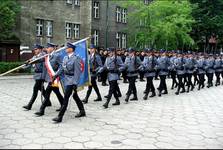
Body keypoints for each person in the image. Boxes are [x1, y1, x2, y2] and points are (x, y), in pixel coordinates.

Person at [52, 42, 86, 123]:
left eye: (67, 48)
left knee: (66, 98)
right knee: (75, 96)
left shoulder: (76, 58)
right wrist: (55, 75)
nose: (66, 49)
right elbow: (62, 68)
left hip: (72, 81)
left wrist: (75, 83)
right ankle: (82, 111)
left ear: (71, 49)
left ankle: (60, 116)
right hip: (66, 79)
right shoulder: (65, 58)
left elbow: (77, 73)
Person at [35, 42, 64, 116]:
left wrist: (56, 74)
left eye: (48, 48)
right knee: (57, 92)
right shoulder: (48, 56)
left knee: (47, 93)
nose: (47, 49)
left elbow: (62, 66)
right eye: (47, 48)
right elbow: (40, 60)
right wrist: (31, 62)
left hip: (54, 78)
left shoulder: (57, 55)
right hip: (50, 78)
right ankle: (63, 104)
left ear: (52, 48)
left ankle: (42, 110)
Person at [23, 44, 49, 110]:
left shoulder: (43, 55)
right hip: (37, 75)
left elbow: (37, 60)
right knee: (42, 90)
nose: (35, 50)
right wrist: (24, 65)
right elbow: (30, 61)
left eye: (36, 49)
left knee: (35, 90)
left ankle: (29, 105)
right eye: (34, 49)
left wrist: (30, 62)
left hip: (41, 76)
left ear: (40, 49)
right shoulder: (35, 56)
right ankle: (48, 101)